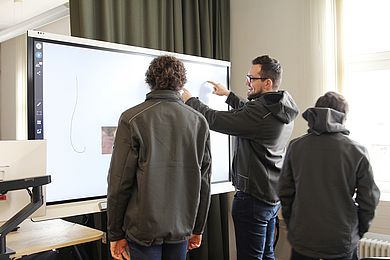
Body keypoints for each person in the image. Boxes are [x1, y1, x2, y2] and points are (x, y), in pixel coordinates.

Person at [182, 55, 299, 259]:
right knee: (266, 254)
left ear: (267, 82)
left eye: (251, 78)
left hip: (253, 198)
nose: (247, 81)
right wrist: (230, 96)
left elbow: (214, 119)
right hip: (271, 196)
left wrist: (191, 101)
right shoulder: (282, 108)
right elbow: (250, 113)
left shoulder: (259, 114)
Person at [107, 55, 212, 260]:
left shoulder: (132, 118)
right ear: (181, 84)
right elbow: (204, 182)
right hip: (182, 227)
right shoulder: (199, 122)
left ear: (150, 81)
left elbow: (119, 182)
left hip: (143, 229)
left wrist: (115, 232)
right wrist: (197, 227)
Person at [278, 91, 380, 260]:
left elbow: (284, 192)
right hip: (341, 239)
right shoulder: (357, 151)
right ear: (342, 117)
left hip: (303, 238)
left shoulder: (296, 147)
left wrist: (293, 225)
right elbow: (369, 199)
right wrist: (358, 229)